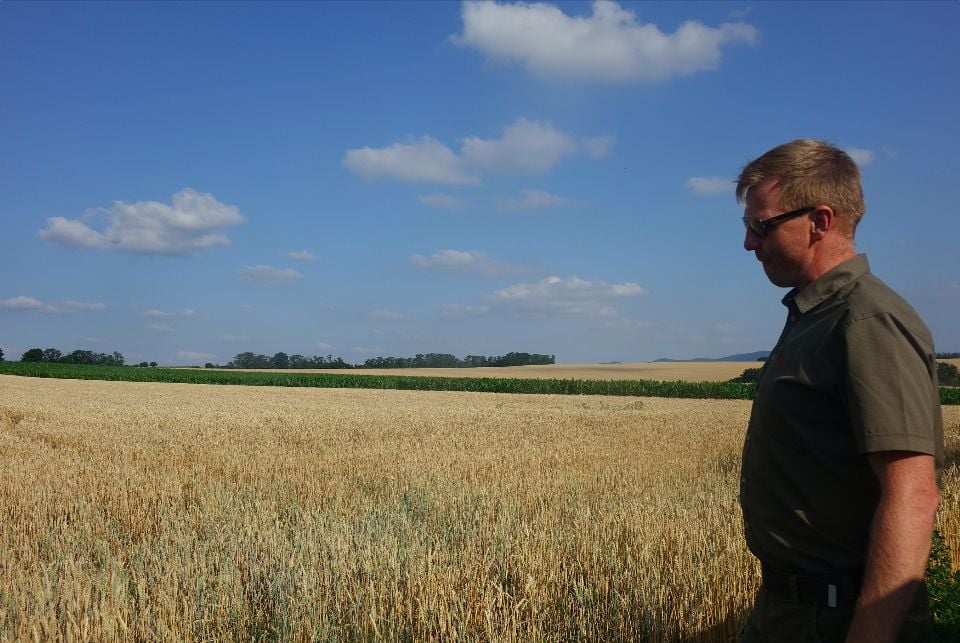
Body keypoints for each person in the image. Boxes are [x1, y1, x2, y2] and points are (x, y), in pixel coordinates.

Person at [736, 140, 944, 643]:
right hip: (791, 609)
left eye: (761, 226)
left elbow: (912, 494)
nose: (748, 244)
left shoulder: (867, 320)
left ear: (820, 221)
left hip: (835, 615)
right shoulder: (817, 316)